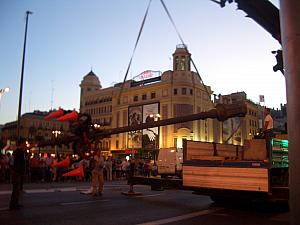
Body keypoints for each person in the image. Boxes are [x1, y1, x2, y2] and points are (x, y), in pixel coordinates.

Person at [9, 140, 26, 210]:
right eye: (24, 144)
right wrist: (21, 172)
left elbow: (11, 162)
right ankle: (14, 204)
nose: (25, 145)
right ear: (21, 144)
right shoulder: (20, 152)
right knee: (16, 189)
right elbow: (22, 163)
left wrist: (13, 169)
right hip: (18, 172)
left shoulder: (15, 152)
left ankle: (14, 203)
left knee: (15, 189)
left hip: (15, 171)